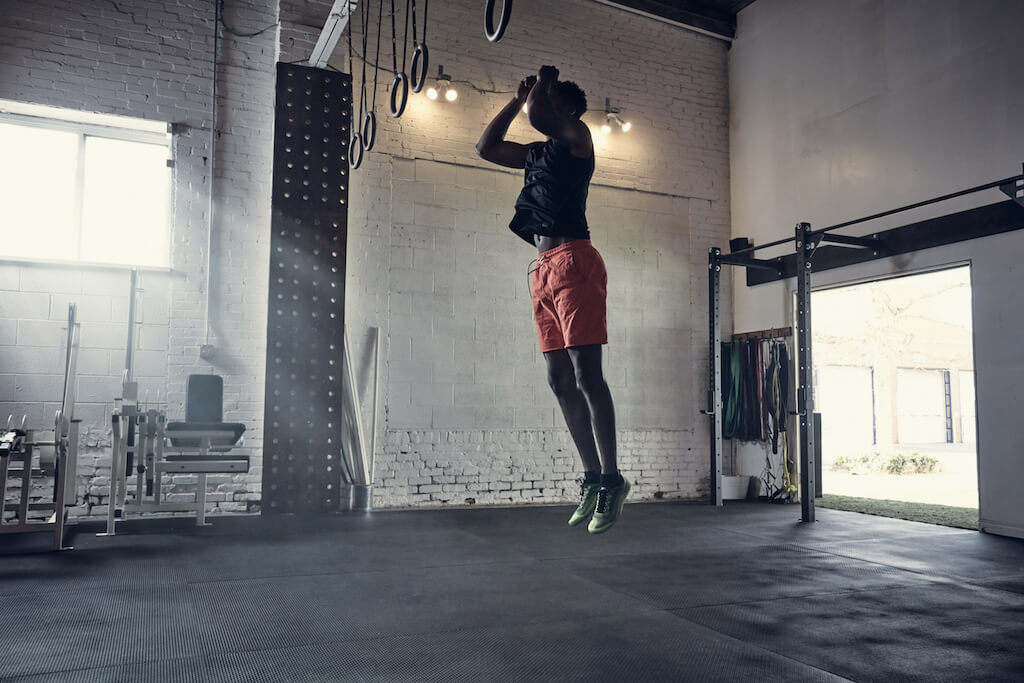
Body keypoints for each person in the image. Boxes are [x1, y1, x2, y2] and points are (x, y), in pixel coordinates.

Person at [475, 65, 629, 534]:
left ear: (568, 110)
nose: (538, 105)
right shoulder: (536, 154)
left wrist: (541, 82)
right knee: (558, 378)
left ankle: (612, 479)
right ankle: (590, 477)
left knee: (587, 374)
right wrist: (515, 99)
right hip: (541, 270)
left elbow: (542, 116)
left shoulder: (578, 140)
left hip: (575, 261)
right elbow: (485, 147)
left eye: (548, 99)